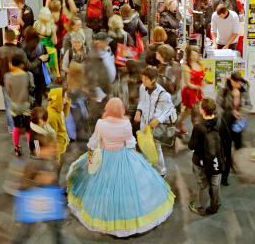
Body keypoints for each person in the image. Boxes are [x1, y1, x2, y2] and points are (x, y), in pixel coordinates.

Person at [66, 98, 175, 236]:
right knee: (129, 187)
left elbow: (93, 142)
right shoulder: (125, 124)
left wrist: (91, 153)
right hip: (124, 156)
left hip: (104, 157)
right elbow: (130, 144)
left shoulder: (100, 123)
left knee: (102, 187)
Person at [188, 97, 231, 216]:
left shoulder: (198, 127)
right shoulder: (221, 122)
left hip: (201, 162)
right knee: (215, 184)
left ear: (202, 110)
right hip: (217, 160)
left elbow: (191, 146)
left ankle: (200, 208)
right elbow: (228, 140)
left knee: (202, 184)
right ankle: (215, 206)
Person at [135, 66, 176, 177]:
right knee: (145, 146)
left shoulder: (163, 94)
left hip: (155, 126)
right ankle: (147, 168)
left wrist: (158, 120)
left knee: (156, 148)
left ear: (153, 80)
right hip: (144, 123)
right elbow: (142, 101)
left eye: (146, 79)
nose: (143, 80)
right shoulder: (142, 88)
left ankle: (161, 171)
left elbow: (170, 108)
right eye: (142, 78)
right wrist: (138, 111)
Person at [216, 72, 252, 186]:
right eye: (235, 82)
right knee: (226, 148)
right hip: (226, 123)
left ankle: (232, 161)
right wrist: (230, 113)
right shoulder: (224, 91)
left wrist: (240, 112)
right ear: (230, 81)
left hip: (238, 123)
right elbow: (218, 107)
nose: (237, 84)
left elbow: (249, 105)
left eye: (239, 82)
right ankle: (225, 174)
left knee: (238, 145)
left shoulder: (244, 92)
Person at [5, 55, 34, 157]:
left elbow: (8, 92)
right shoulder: (28, 75)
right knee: (28, 128)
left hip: (14, 105)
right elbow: (32, 88)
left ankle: (17, 148)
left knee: (16, 126)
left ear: (12, 64)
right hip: (26, 104)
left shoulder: (8, 76)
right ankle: (31, 149)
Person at [178, 45, 205, 133]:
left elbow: (201, 78)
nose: (195, 57)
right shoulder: (187, 67)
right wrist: (198, 87)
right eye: (192, 55)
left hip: (198, 91)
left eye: (196, 55)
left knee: (195, 111)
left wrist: (201, 85)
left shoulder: (199, 64)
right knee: (189, 110)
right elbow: (188, 83)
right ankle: (180, 123)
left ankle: (195, 128)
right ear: (189, 56)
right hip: (190, 92)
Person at [21, 27, 50, 106]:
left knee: (29, 93)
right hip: (40, 74)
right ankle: (38, 109)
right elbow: (48, 59)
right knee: (38, 94)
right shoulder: (41, 46)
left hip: (28, 74)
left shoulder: (22, 47)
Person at [46, 87, 71, 176]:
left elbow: (63, 118)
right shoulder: (52, 116)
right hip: (58, 150)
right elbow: (53, 137)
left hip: (62, 144)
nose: (67, 99)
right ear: (59, 98)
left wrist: (67, 105)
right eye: (65, 97)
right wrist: (57, 158)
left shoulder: (57, 108)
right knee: (56, 174)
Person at [85, 32, 116, 100]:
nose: (108, 43)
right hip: (99, 92)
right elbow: (90, 77)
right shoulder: (93, 57)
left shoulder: (105, 51)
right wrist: (94, 94)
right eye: (105, 42)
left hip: (105, 89)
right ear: (98, 43)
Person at [34, 7, 59, 81]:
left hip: (39, 49)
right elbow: (55, 42)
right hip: (50, 50)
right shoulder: (52, 26)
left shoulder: (36, 24)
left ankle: (46, 77)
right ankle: (55, 75)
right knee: (53, 64)